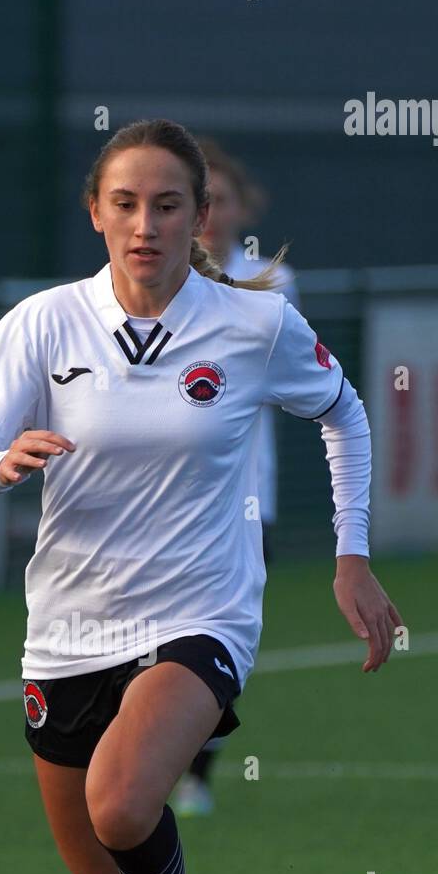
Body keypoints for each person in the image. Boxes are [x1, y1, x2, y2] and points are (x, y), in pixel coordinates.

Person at [0, 118, 400, 874]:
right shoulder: (41, 326)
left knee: (121, 798)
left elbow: (343, 411)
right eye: (125, 203)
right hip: (64, 632)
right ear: (94, 212)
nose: (145, 223)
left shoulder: (251, 325)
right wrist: (1, 463)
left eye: (167, 205)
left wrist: (350, 556)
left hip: (199, 612)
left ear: (200, 218)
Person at [172, 138, 299, 819]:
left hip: (245, 503)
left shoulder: (268, 282)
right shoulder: (151, 282)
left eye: (221, 199)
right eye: (201, 198)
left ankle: (196, 774)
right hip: (161, 503)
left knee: (217, 645)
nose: (211, 212)